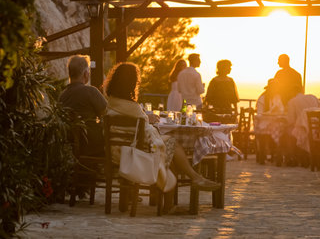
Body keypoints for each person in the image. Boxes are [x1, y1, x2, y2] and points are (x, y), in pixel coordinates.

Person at [103, 62, 221, 195]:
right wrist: (149, 120)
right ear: (132, 83)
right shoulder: (134, 108)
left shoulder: (111, 102)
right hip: (133, 153)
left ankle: (192, 181)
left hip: (114, 151)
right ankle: (193, 179)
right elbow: (147, 133)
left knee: (169, 148)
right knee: (172, 144)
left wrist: (147, 119)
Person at [59, 55, 107, 156]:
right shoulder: (91, 91)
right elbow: (108, 114)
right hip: (93, 147)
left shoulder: (62, 96)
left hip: (70, 148)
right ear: (86, 74)